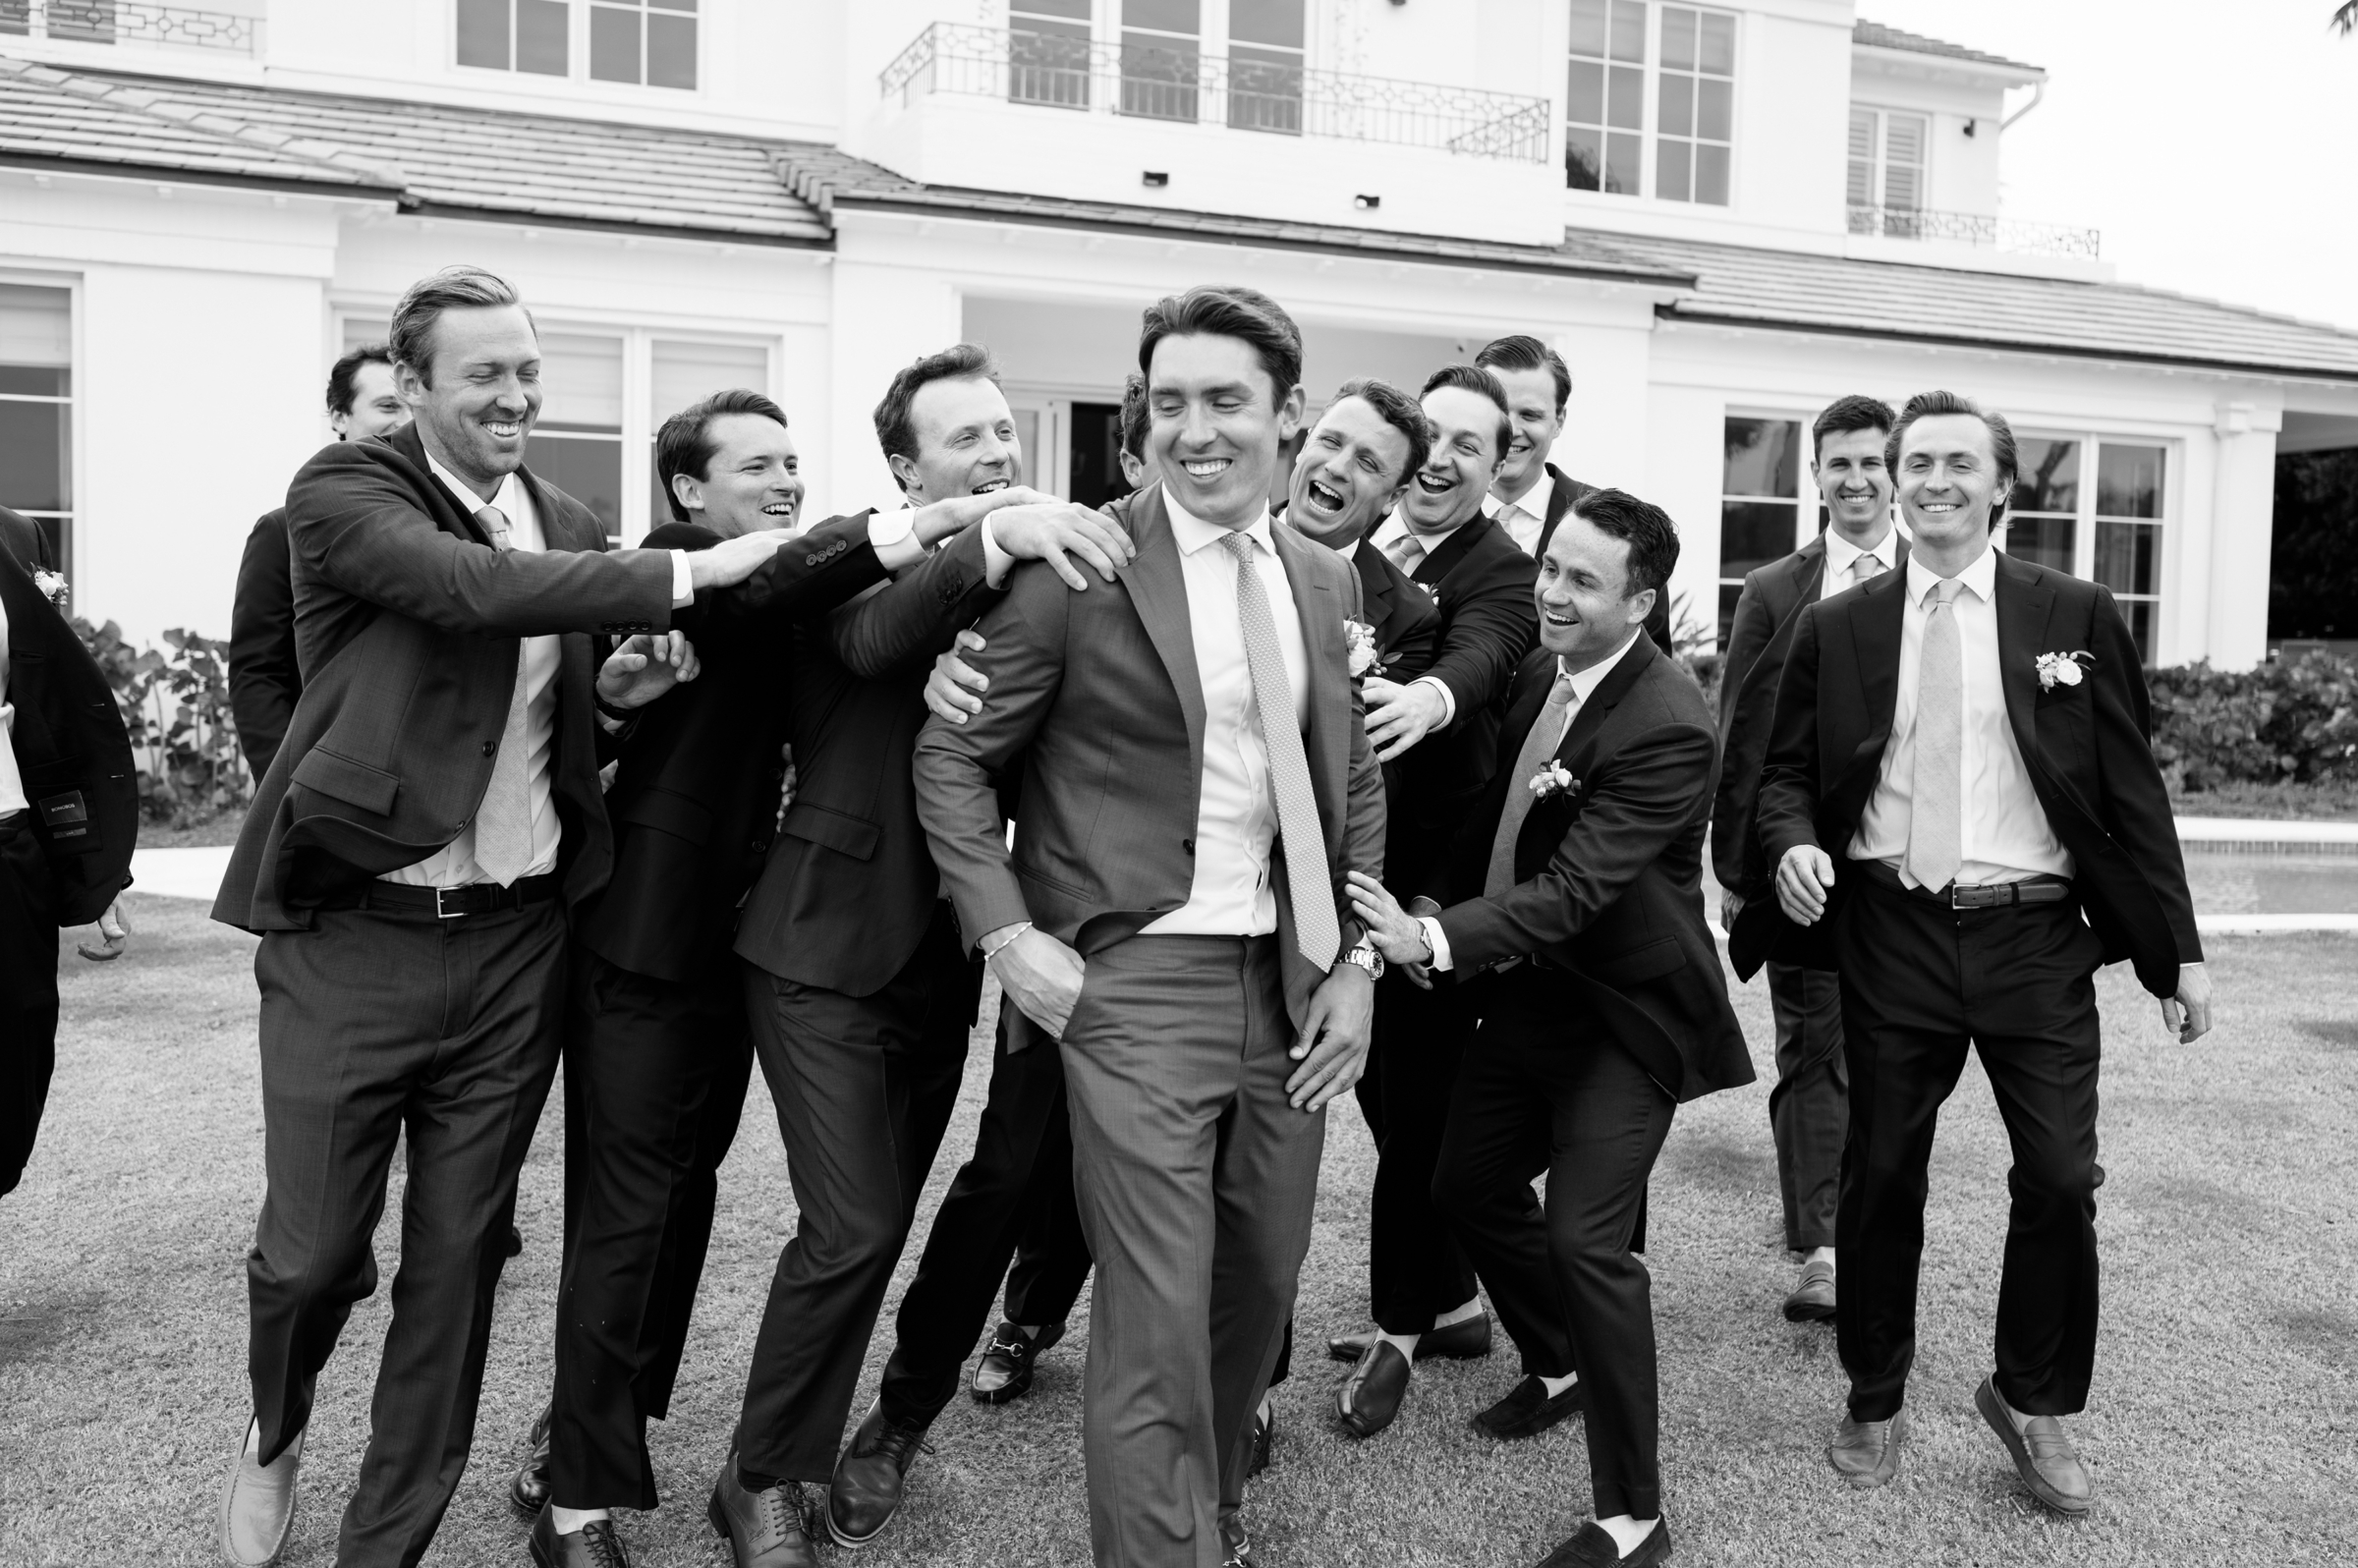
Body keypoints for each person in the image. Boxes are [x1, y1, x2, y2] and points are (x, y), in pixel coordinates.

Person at [208, 264, 875, 1568]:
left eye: (528, 369)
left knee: (456, 1266)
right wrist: (695, 570)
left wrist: (613, 700)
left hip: (518, 942)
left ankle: (381, 1545)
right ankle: (274, 1430)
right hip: (356, 935)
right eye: (485, 374)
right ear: (412, 386)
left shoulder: (565, 515)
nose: (516, 394)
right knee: (311, 1257)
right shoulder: (341, 492)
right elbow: (473, 591)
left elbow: (555, 726)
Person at [914, 285, 1384, 1568]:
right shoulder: (1079, 567)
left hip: (1289, 984)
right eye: (1169, 401)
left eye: (1226, 399)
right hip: (1134, 984)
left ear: (1288, 414)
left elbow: (1347, 777)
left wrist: (1356, 961)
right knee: (1156, 1311)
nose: (1195, 428)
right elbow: (951, 755)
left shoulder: (1324, 573)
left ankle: (1211, 1516)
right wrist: (1007, 936)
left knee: (1258, 1285)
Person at [1745, 390, 2212, 1515]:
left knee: (2059, 1176)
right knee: (1881, 1173)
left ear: (2003, 485)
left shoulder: (2075, 612)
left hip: (2036, 936)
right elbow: (1784, 772)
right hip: (1891, 928)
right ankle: (1874, 1392)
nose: (1932, 481)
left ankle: (2033, 1399)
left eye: (1960, 462)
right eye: (1917, 462)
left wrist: (2178, 953)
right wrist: (1794, 842)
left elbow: (2130, 789)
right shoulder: (1837, 624)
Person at [706, 345, 1133, 1568]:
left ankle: (802, 1440)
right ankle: (756, 1479)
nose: (998, 452)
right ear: (906, 471)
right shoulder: (855, 559)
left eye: (1004, 431)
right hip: (817, 948)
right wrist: (985, 539)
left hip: (941, 964)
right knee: (851, 1226)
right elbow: (871, 642)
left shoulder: (1046, 582)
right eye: (965, 439)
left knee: (874, 1230)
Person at [1350, 488, 1754, 1568]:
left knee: (1588, 1244)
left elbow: (1574, 892)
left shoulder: (1669, 723)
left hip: (1626, 1016)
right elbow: (1495, 821)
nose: (1553, 593)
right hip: (1528, 996)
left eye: (1583, 580)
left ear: (1642, 601)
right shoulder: (1544, 670)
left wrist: (1432, 942)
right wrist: (1433, 905)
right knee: (1461, 1182)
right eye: (1551, 568)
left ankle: (1634, 1517)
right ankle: (1563, 1359)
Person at [1331, 365, 1540, 1438]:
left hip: (1434, 881)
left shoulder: (1503, 569)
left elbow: (1485, 654)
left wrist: (1428, 695)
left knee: (1415, 1111)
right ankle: (1456, 1304)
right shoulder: (1353, 546)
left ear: (1501, 463)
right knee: (1382, 1098)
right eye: (1434, 437)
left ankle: (1400, 1330)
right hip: (1337, 871)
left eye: (1473, 443)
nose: (1445, 459)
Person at [1712, 394, 1906, 1323]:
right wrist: (1734, 867)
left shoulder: (1940, 575)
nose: (1857, 479)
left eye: (1873, 462)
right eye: (1840, 463)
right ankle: (1824, 1249)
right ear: (1816, 474)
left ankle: (1875, 1223)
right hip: (1803, 866)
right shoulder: (1771, 589)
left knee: (1892, 1055)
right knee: (1814, 1050)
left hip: (1908, 868)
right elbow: (1742, 733)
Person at [1, 505, 136, 1199]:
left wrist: (94, 869)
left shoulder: (15, 535)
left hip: (7, 844)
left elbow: (49, 708)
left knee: (13, 1072)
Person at [229, 345, 410, 780]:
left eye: (414, 407)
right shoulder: (281, 530)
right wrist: (286, 786)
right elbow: (258, 675)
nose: (406, 421)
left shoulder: (440, 529)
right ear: (339, 417)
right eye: (388, 406)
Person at [1474, 334, 1673, 657]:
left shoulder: (1621, 532)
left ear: (1559, 421)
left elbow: (1648, 666)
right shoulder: (1423, 510)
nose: (1511, 429)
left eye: (1530, 414)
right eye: (1498, 411)